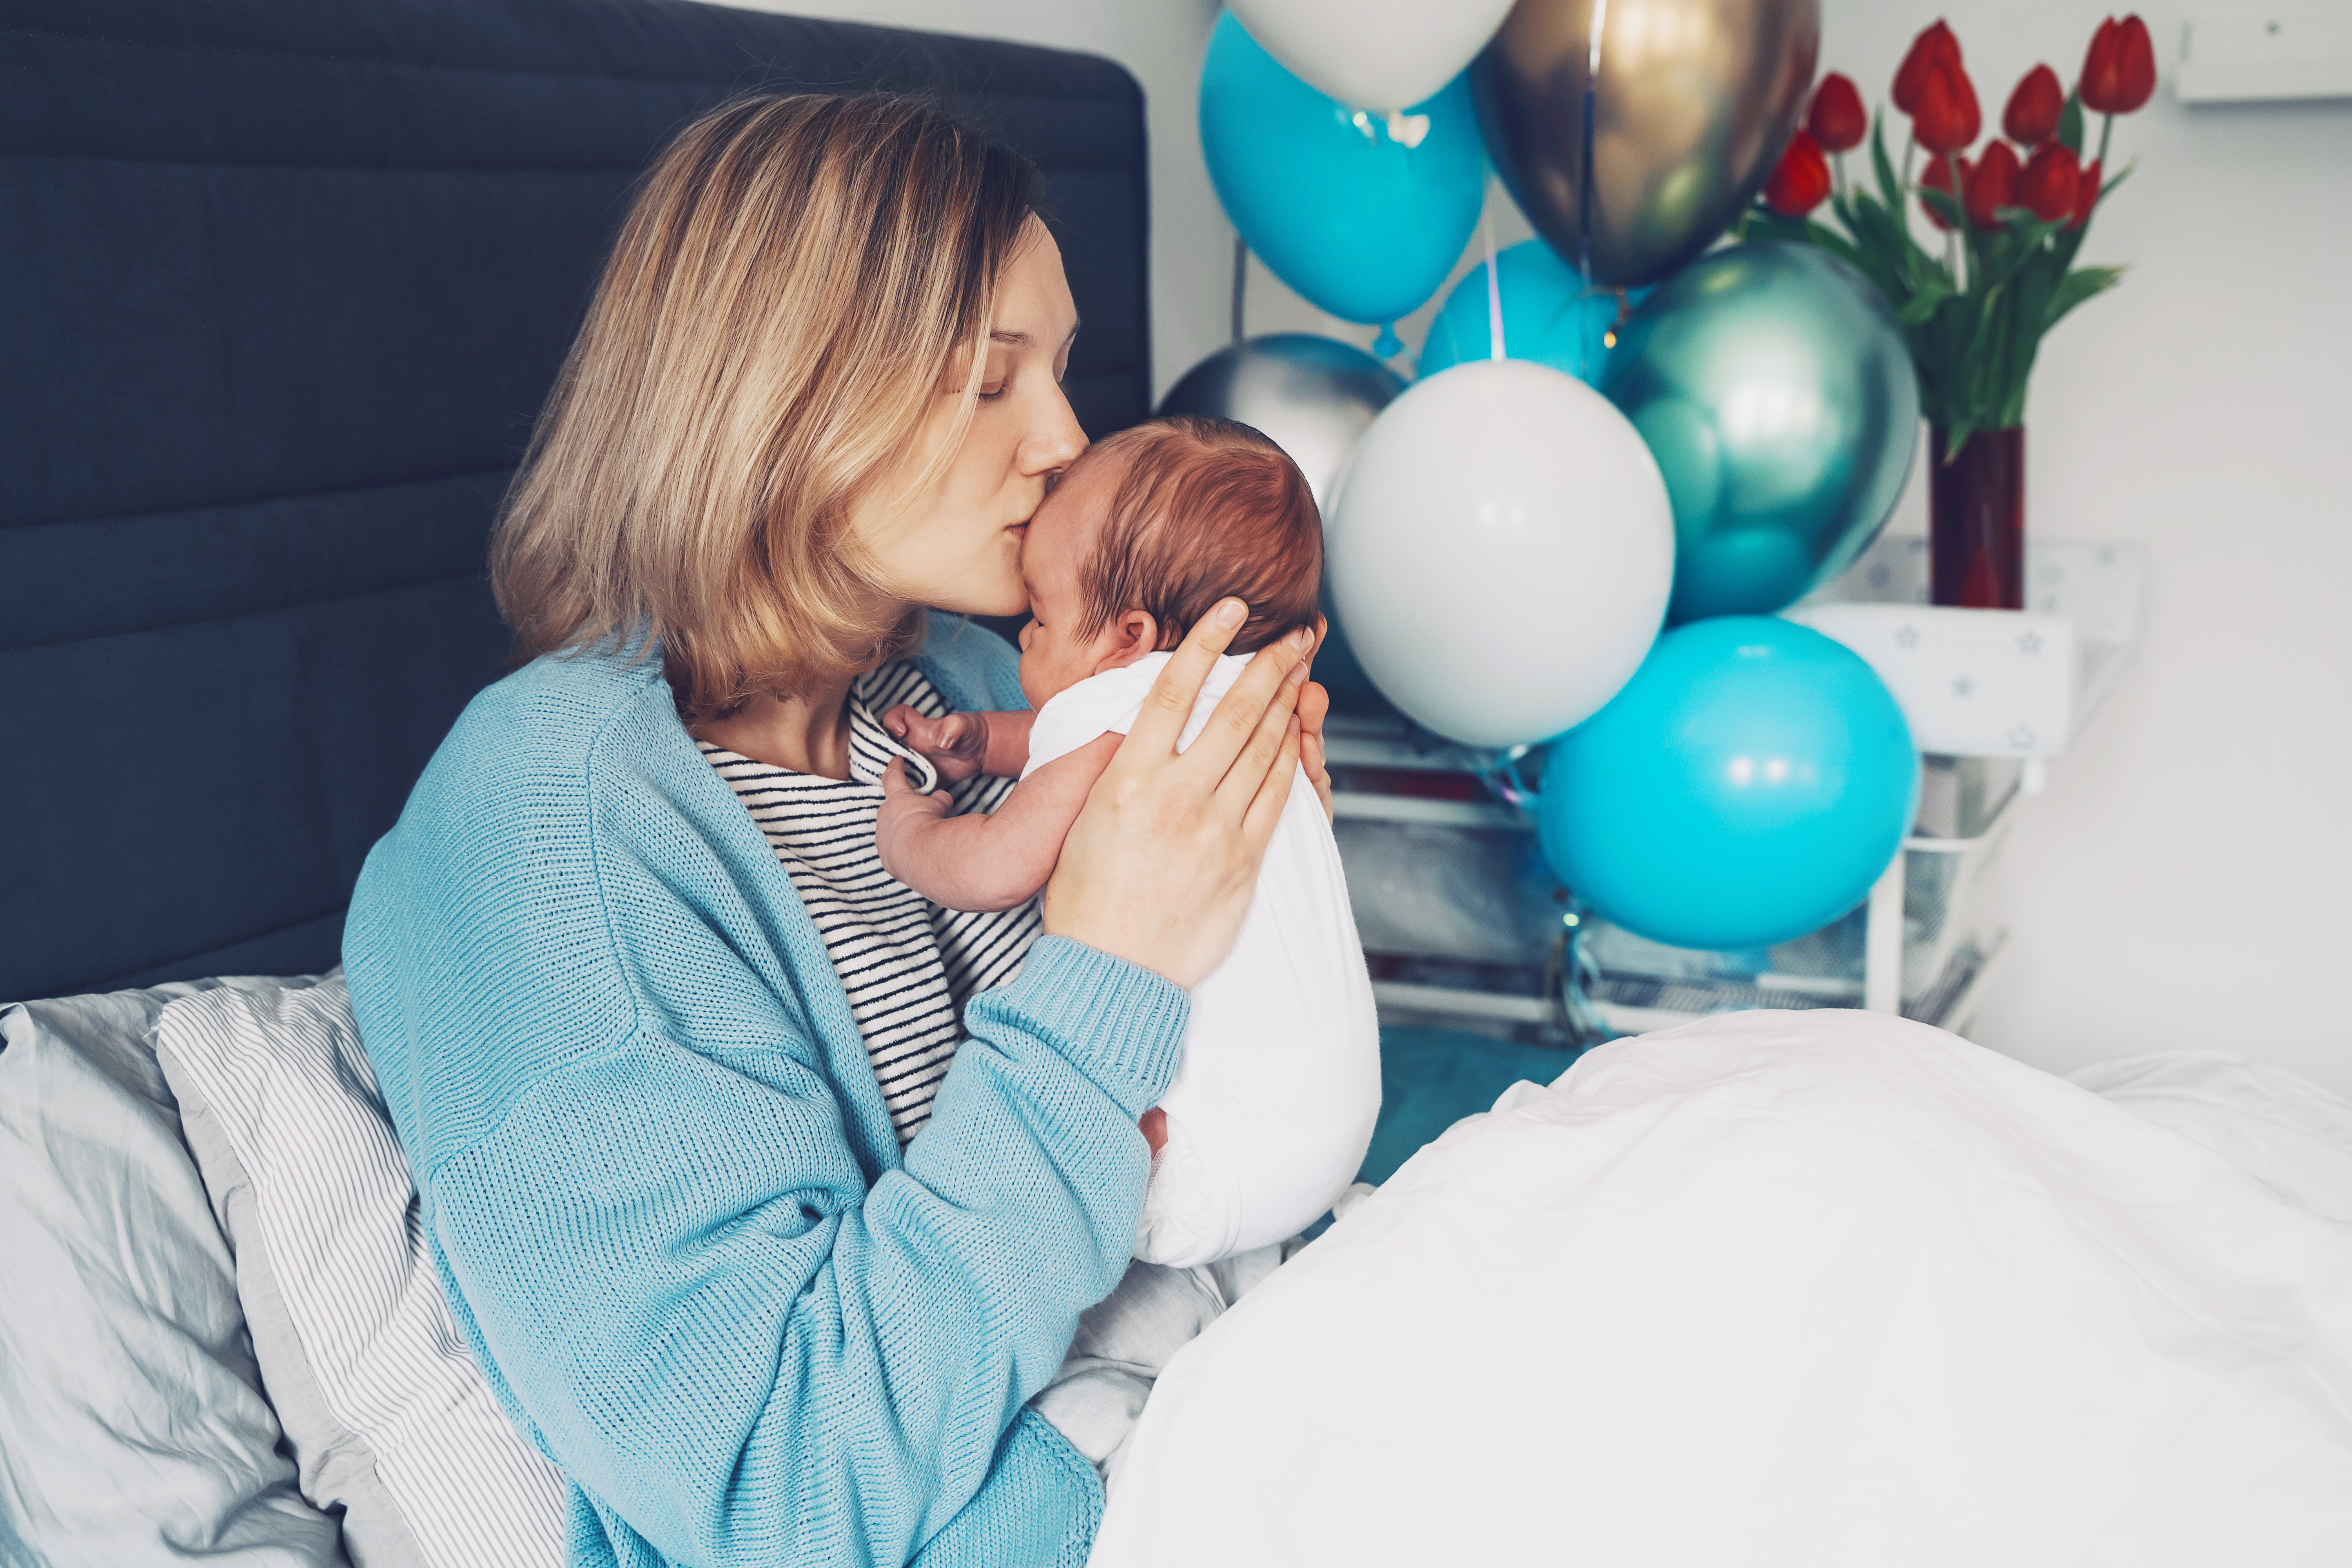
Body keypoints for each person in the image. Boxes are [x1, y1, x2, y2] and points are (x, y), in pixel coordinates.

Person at [341, 93, 1330, 1568]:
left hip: (1241, 1388)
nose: (1065, 440)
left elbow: (1234, 1133)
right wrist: (1108, 966)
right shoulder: (553, 839)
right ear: (783, 396)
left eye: (1059, 367)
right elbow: (783, 1492)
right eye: (991, 381)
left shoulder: (976, 690)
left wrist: (1272, 867)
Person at [875, 416, 1380, 1268]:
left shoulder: (1118, 719)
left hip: (1208, 1161)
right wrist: (986, 740)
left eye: (1038, 615)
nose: (1024, 637)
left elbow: (998, 865)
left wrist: (913, 832)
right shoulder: (1248, 706)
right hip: (1339, 1119)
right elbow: (1065, 741)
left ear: (1130, 640)